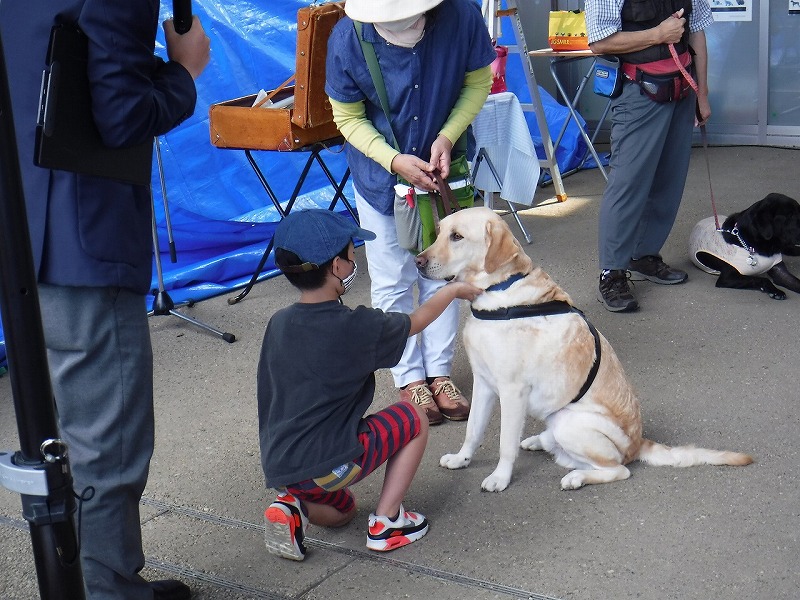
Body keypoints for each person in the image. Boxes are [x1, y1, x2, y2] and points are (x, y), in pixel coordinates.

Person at [1, 2, 210, 599]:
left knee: (57, 429)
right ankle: (106, 590)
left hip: (22, 231)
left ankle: (84, 578)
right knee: (105, 439)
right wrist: (182, 73)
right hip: (81, 239)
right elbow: (121, 116)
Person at [258, 209, 482, 560]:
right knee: (413, 418)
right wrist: (453, 289)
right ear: (335, 266)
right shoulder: (356, 325)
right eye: (351, 253)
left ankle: (293, 505)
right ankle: (388, 522)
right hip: (330, 465)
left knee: (344, 511)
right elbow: (417, 320)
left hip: (286, 466)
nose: (353, 260)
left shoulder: (279, 323)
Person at [325, 0, 496, 424]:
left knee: (442, 270)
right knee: (391, 279)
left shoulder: (461, 15)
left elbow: (478, 83)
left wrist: (447, 136)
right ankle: (408, 378)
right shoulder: (347, 36)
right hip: (381, 177)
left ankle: (438, 373)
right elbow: (346, 117)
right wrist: (392, 159)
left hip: (444, 171)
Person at [585, 0, 712, 312]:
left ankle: (644, 255)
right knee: (627, 184)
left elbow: (696, 35)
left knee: (669, 181)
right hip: (638, 92)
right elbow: (599, 41)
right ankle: (611, 273)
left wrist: (702, 94)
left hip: (682, 89)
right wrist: (658, 34)